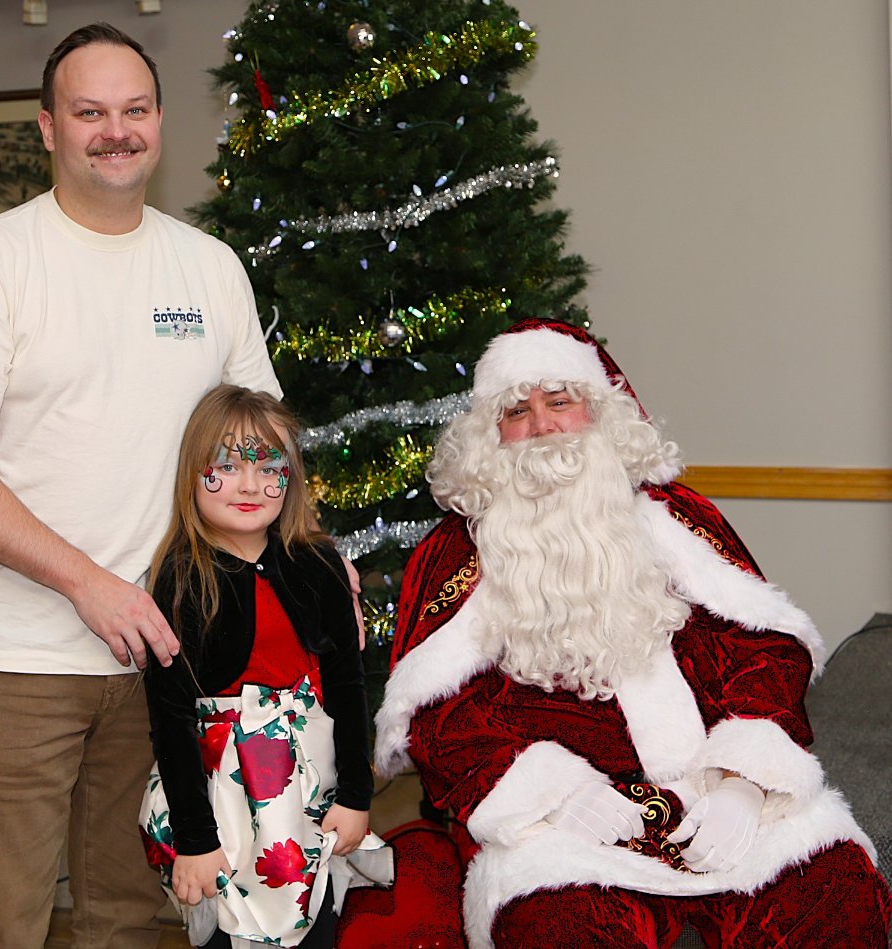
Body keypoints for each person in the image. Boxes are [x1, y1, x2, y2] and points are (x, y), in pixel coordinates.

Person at [0, 22, 282, 948]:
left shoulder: (209, 266)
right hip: (16, 659)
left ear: (159, 122)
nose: (116, 131)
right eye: (89, 112)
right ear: (48, 128)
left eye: (134, 109)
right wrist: (89, 583)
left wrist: (306, 559)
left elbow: (258, 444)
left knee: (129, 917)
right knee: (2, 922)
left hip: (166, 651)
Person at [373, 319, 891, 948]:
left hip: (712, 792)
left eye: (559, 401)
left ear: (601, 412)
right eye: (517, 411)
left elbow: (764, 648)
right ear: (490, 435)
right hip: (564, 834)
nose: (541, 426)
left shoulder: (679, 517)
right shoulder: (455, 555)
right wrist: (550, 796)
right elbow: (438, 715)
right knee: (555, 930)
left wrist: (745, 780)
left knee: (835, 892)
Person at [138, 385, 382, 947]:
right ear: (193, 474)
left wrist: (356, 795)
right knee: (231, 927)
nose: (250, 485)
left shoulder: (318, 563)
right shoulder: (181, 576)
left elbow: (349, 686)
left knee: (317, 923)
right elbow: (170, 718)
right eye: (226, 467)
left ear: (288, 477)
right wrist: (196, 841)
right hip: (218, 799)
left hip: (311, 790)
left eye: (268, 468)